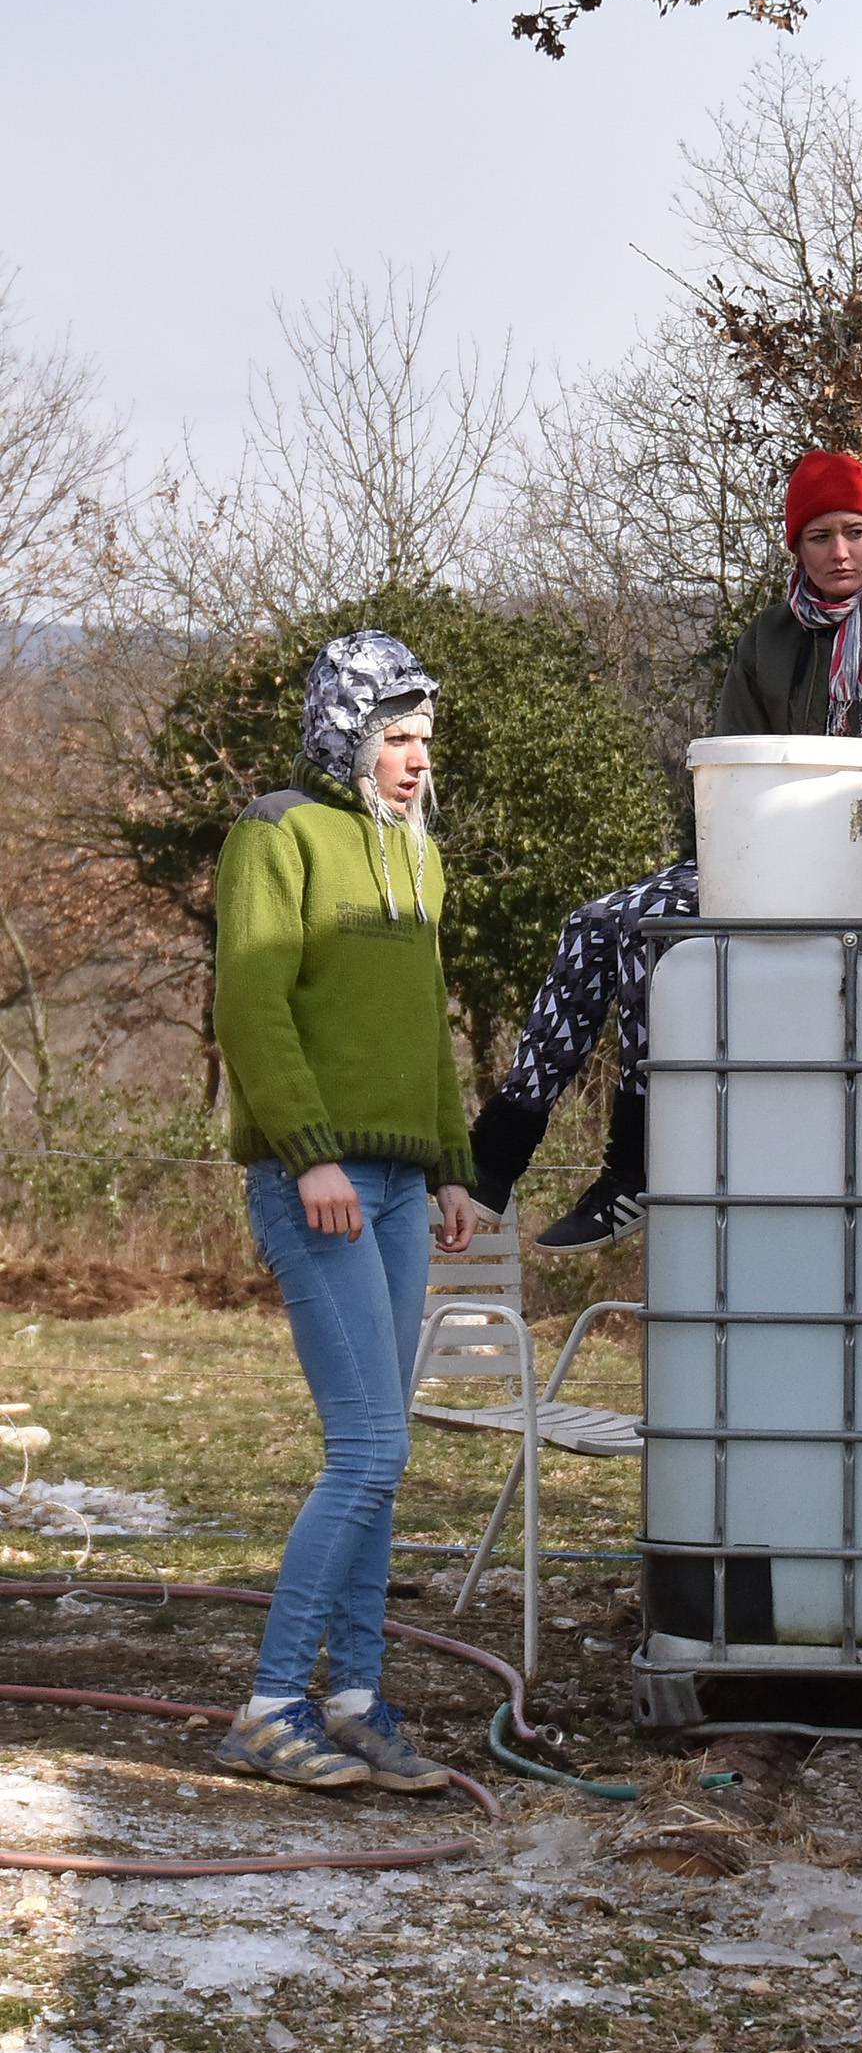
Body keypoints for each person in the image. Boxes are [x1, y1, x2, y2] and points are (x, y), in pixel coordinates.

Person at [466, 449, 862, 1248]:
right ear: (797, 548)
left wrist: (849, 867)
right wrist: (743, 869)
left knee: (665, 928)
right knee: (607, 924)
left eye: (855, 531)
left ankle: (637, 1161)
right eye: (819, 536)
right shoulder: (770, 640)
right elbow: (731, 781)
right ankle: (499, 1157)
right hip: (774, 866)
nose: (840, 552)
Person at [211, 632, 479, 1791]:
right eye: (398, 738)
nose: (417, 759)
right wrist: (309, 1152)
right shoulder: (281, 833)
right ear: (350, 735)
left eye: (424, 740)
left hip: (401, 1185)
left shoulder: (419, 854)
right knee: (368, 1445)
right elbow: (252, 1004)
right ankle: (271, 1703)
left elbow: (425, 1024)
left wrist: (455, 1161)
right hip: (311, 1180)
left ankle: (359, 1695)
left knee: (383, 1453)